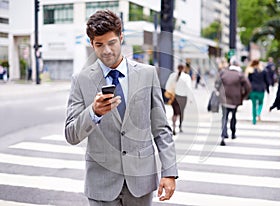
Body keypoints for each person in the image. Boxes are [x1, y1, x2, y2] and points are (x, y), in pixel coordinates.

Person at [65, 10, 178, 206]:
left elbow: (161, 129)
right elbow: (71, 135)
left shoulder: (147, 74)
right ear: (92, 44)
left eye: (112, 43)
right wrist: (94, 112)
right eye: (99, 45)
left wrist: (169, 172)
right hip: (101, 184)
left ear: (121, 38)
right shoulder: (81, 80)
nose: (106, 50)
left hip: (141, 181)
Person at [215, 58, 251, 146]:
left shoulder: (223, 72)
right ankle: (233, 132)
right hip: (235, 99)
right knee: (233, 116)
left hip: (224, 98)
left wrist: (219, 91)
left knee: (224, 117)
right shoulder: (240, 75)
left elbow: (217, 83)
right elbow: (248, 86)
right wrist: (243, 96)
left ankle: (223, 135)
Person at [165, 64, 192, 135]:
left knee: (175, 113)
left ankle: (174, 128)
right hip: (183, 97)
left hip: (174, 97)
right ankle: (180, 126)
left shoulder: (172, 75)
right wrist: (190, 98)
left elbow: (167, 86)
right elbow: (189, 88)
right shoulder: (186, 77)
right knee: (181, 112)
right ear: (184, 69)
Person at [245, 59, 269, 124]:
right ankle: (258, 112)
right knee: (261, 103)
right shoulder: (263, 71)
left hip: (253, 90)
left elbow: (248, 81)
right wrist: (268, 90)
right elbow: (267, 81)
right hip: (261, 89)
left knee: (253, 105)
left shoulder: (250, 71)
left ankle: (254, 120)